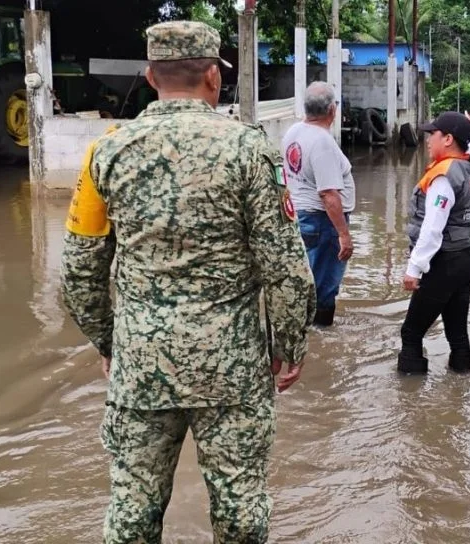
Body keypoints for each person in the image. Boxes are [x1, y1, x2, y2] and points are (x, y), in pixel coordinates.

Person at [59, 21, 316, 544]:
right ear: (215, 78)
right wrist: (289, 344)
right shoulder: (251, 150)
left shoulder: (106, 152)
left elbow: (79, 270)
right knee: (241, 508)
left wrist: (111, 342)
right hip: (234, 368)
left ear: (151, 77)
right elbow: (286, 266)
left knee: (132, 512)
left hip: (142, 364)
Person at [397, 111, 470, 374]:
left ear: (448, 139)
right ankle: (460, 389)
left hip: (444, 263)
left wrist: (414, 268)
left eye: (432, 134)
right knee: (457, 334)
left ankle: (410, 401)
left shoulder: (444, 175)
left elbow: (432, 227)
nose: (427, 139)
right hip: (466, 259)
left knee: (411, 333)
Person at [282, 81, 356, 327]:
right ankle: (322, 334)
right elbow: (328, 194)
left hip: (301, 217)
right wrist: (343, 235)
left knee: (307, 278)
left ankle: (303, 331)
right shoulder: (322, 142)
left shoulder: (294, 132)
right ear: (332, 110)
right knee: (325, 286)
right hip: (323, 221)